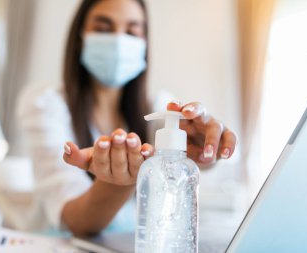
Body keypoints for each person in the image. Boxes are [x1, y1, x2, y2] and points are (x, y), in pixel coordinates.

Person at [17, 0, 236, 237]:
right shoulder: (47, 105)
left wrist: (205, 148)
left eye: (132, 32)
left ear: (144, 43)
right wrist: (116, 182)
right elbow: (76, 221)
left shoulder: (158, 107)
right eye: (103, 29)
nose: (119, 42)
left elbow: (190, 145)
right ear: (80, 37)